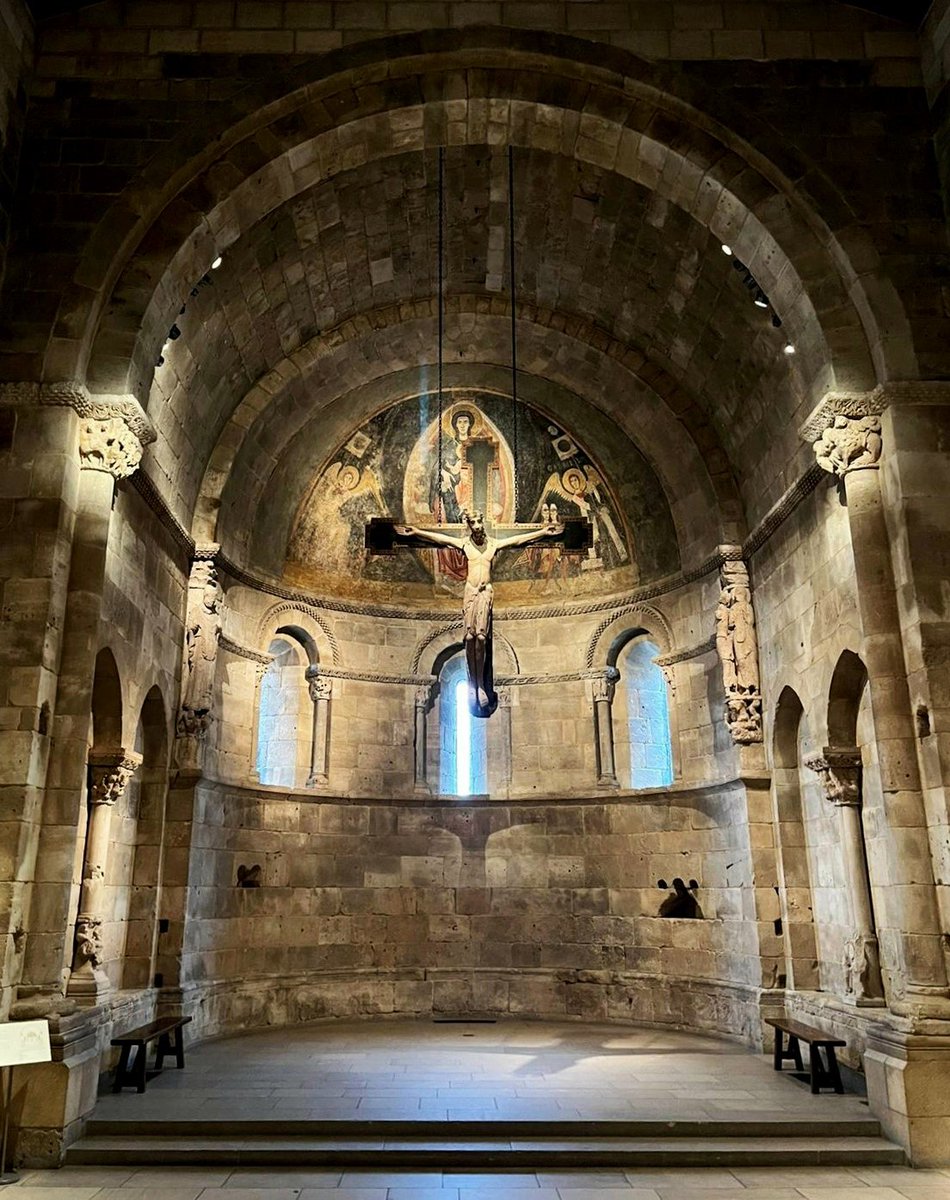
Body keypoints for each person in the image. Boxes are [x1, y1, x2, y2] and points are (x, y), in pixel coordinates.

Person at [396, 509, 562, 716]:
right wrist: (418, 532)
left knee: (481, 638)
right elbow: (440, 539)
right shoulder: (465, 545)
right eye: (472, 522)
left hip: (485, 592)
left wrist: (544, 533)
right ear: (469, 525)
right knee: (469, 637)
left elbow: (518, 540)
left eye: (478, 522)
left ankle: (481, 685)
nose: (476, 525)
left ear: (483, 523)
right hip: (470, 592)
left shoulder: (492, 544)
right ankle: (473, 685)